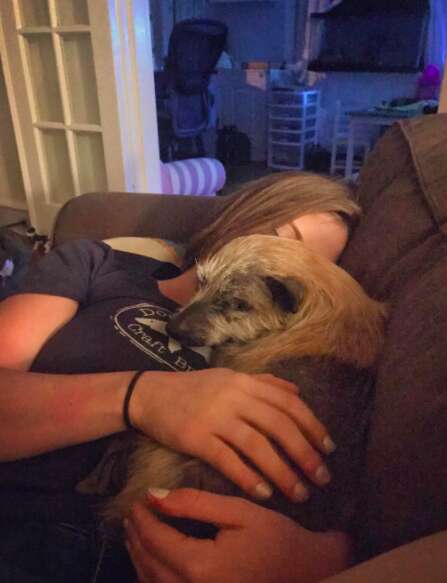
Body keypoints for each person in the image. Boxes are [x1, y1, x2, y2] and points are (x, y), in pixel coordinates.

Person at [0, 171, 359, 582]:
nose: (281, 263)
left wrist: (326, 557)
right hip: (23, 522)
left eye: (312, 264)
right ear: (249, 208)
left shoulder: (278, 350)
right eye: (283, 236)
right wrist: (141, 397)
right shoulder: (99, 265)